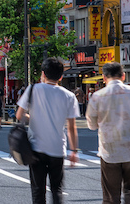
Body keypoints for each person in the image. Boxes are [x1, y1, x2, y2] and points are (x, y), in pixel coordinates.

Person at [16, 58, 80, 204]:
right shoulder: (69, 96)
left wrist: (33, 117)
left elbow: (19, 115)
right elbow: (71, 127)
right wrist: (74, 150)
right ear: (61, 76)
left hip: (36, 148)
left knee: (38, 190)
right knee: (57, 189)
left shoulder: (33, 89)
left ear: (43, 74)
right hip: (57, 148)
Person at [86, 62, 130, 204]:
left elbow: (92, 125)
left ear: (104, 77)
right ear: (123, 76)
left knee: (110, 196)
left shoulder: (97, 96)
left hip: (110, 150)